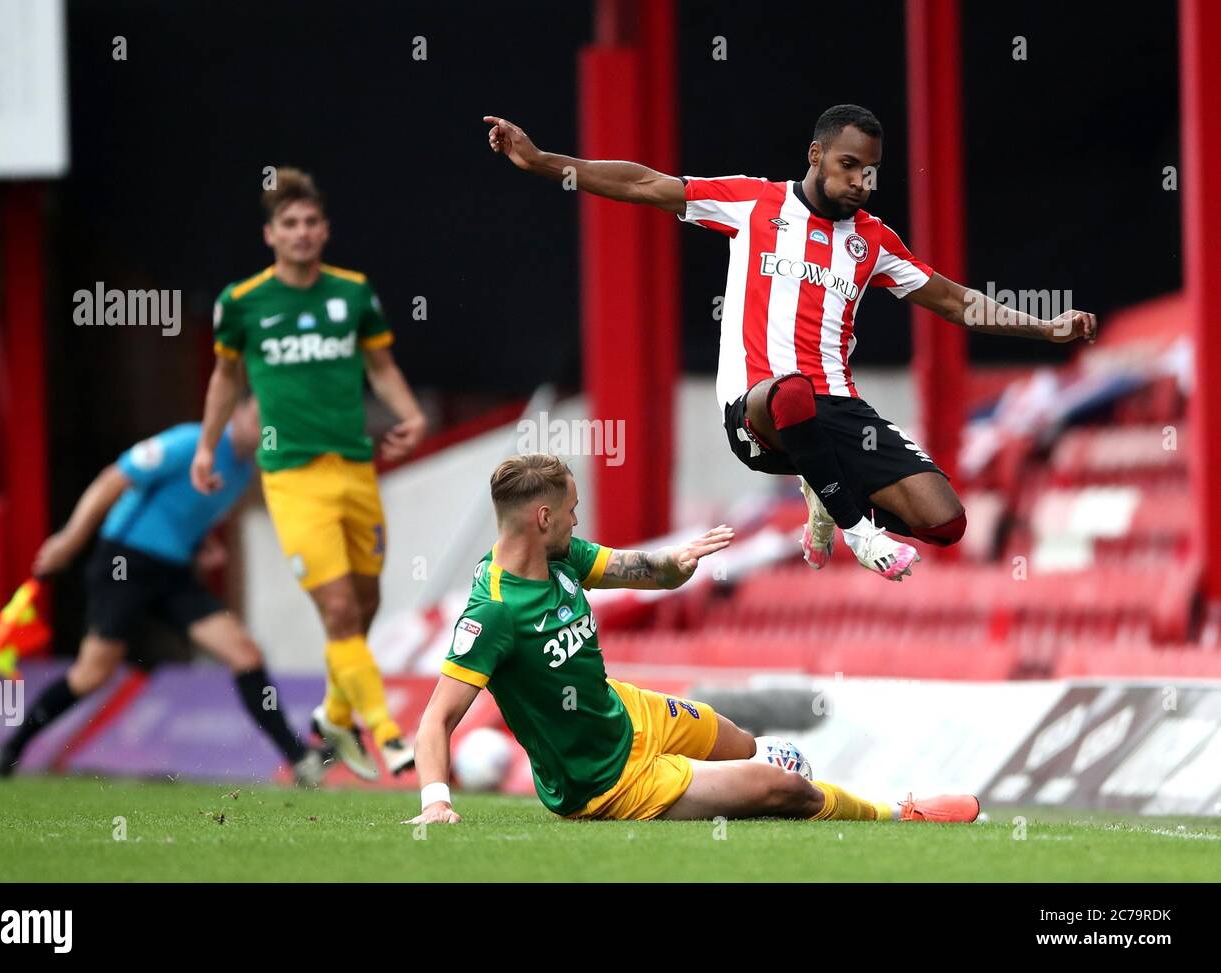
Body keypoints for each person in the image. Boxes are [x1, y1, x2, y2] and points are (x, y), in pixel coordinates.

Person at [482, 106, 1098, 581]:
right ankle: (856, 528)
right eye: (849, 166)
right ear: (817, 155)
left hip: (837, 411)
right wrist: (542, 161)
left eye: (871, 171)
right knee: (794, 395)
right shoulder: (754, 204)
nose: (861, 181)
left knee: (945, 521)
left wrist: (1043, 327)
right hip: (758, 409)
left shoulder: (874, 241)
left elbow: (955, 301)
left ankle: (824, 491)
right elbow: (647, 184)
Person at [405, 454, 979, 825]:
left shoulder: (563, 558)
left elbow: (642, 570)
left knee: (738, 740)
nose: (580, 522)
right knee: (785, 789)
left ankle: (755, 773)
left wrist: (676, 563)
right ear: (544, 517)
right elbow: (435, 721)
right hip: (604, 781)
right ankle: (900, 813)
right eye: (574, 511)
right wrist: (437, 803)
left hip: (625, 712)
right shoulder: (495, 612)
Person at [193, 168, 425, 777]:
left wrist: (411, 416)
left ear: (325, 231)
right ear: (270, 235)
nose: (301, 233)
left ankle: (332, 717)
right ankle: (389, 737)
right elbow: (224, 379)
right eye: (289, 224)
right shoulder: (241, 303)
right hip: (291, 478)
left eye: (311, 222)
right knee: (341, 612)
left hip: (354, 469)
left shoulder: (353, 293)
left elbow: (380, 366)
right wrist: (206, 447)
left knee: (366, 604)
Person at [0, 397, 327, 786]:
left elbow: (181, 513)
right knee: (92, 672)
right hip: (125, 561)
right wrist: (69, 539)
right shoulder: (189, 443)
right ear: (236, 414)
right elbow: (113, 479)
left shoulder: (242, 472)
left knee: (244, 653)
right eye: (259, 420)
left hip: (173, 572)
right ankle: (10, 750)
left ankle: (299, 760)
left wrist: (201, 544)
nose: (265, 432)